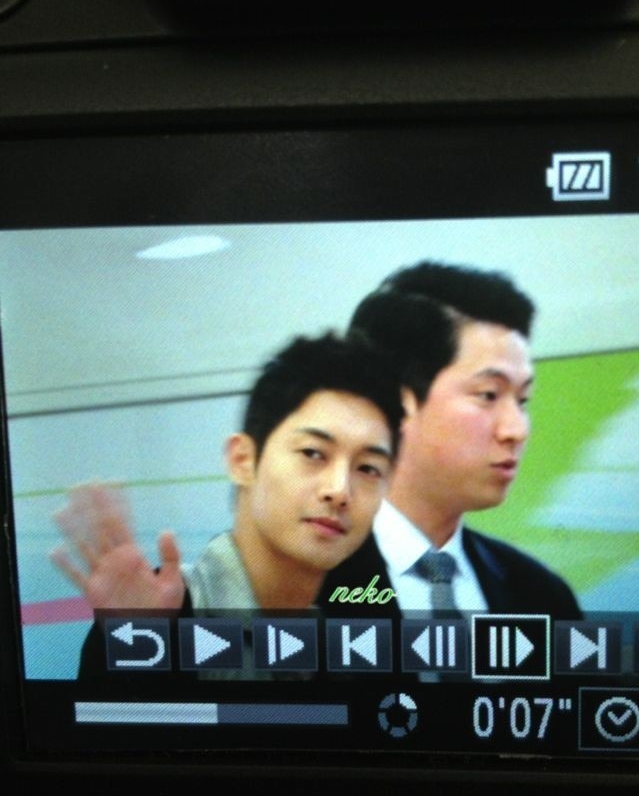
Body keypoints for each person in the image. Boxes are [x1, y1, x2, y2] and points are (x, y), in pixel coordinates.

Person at [52, 331, 403, 626]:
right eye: (313, 453)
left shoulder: (360, 627)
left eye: (368, 468)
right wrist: (142, 646)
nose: (340, 491)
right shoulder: (159, 612)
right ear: (242, 460)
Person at [320, 259, 580, 620]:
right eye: (488, 395)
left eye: (522, 401)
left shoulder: (541, 596)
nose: (516, 430)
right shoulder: (298, 588)